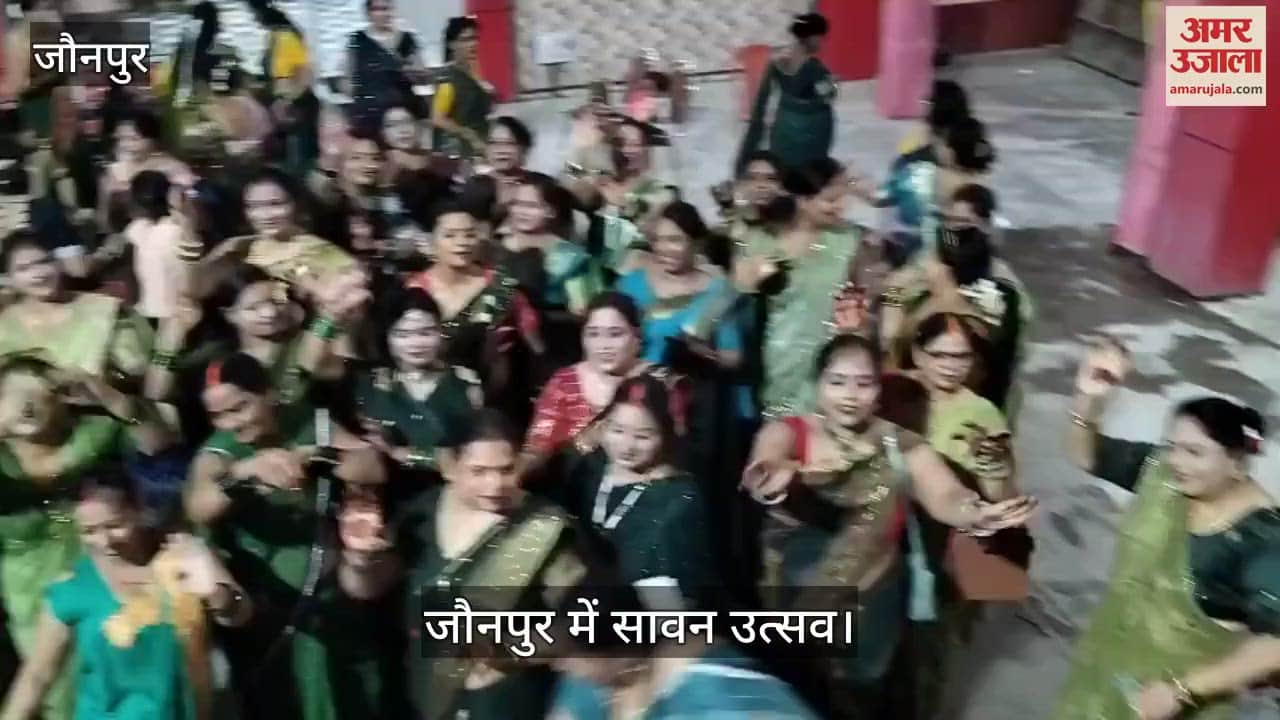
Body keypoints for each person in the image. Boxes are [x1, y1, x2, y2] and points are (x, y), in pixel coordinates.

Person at [740, 334, 1036, 718]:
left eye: (863, 383)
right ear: (817, 385)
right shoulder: (789, 433)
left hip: (872, 599)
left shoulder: (900, 444)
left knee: (863, 694)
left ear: (878, 391)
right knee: (794, 690)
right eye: (837, 381)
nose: (850, 394)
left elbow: (945, 495)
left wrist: (975, 513)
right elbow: (763, 464)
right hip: (795, 596)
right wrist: (773, 475)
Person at [1055, 338, 1280, 720]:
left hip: (1173, 704)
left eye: (1194, 453)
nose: (1176, 461)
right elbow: (1086, 455)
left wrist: (1182, 690)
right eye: (1173, 446)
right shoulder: (1161, 476)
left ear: (1237, 463)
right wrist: (1089, 401)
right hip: (1103, 671)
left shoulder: (1260, 540)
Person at [338, 410, 587, 720]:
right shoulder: (421, 514)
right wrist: (360, 560)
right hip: (423, 692)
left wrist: (506, 646)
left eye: (506, 470)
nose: (495, 484)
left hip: (500, 700)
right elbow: (367, 588)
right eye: (479, 471)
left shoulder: (545, 528)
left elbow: (580, 625)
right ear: (451, 467)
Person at [183, 352, 388, 720]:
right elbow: (199, 506)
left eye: (240, 408)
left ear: (270, 394)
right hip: (267, 608)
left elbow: (372, 467)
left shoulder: (310, 422)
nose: (231, 423)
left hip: (334, 596)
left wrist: (312, 457)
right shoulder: (219, 451)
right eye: (218, 415)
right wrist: (245, 471)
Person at [0, 356, 177, 720]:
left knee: (117, 687)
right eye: (10, 394)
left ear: (61, 393)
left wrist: (110, 397)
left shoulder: (96, 434)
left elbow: (159, 444)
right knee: (47, 687)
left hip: (114, 577)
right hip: (30, 592)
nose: (26, 402)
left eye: (38, 388)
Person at [0, 475, 251, 720]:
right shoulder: (73, 587)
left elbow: (239, 615)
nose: (105, 541)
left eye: (115, 526)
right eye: (89, 531)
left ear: (139, 511)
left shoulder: (183, 555)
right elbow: (36, 676)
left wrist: (214, 592)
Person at [538, 374, 711, 608]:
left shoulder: (677, 499)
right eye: (617, 430)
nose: (627, 446)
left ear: (666, 435)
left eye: (643, 436)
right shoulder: (591, 468)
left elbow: (672, 599)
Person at [547, 571, 820, 718]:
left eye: (574, 657)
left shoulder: (715, 691)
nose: (561, 665)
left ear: (622, 654)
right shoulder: (589, 682)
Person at [733, 158, 869, 418]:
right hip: (780, 355)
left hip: (832, 356)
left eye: (843, 199)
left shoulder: (849, 240)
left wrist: (857, 326)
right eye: (830, 200)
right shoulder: (763, 240)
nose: (840, 207)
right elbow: (738, 294)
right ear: (802, 200)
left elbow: (863, 292)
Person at [880, 224, 1028, 414]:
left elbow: (892, 343)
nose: (925, 263)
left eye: (932, 257)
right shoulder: (1006, 295)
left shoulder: (992, 304)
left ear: (944, 268)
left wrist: (898, 290)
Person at [524, 292, 685, 464]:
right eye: (593, 334)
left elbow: (675, 448)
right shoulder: (564, 381)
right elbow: (538, 445)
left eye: (615, 334)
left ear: (637, 337)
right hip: (574, 483)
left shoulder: (660, 380)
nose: (603, 346)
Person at [405, 201, 541, 398]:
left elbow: (534, 345)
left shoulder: (502, 286)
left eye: (470, 234)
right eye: (450, 235)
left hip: (498, 392)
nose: (462, 242)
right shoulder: (414, 290)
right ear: (430, 243)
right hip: (430, 392)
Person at [354, 286, 481, 485]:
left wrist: (399, 453)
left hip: (452, 490)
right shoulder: (371, 385)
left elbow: (471, 454)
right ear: (387, 337)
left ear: (440, 331)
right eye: (403, 335)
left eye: (426, 333)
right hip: (387, 493)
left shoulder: (465, 382)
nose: (416, 343)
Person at [0, 232, 153, 385]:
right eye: (23, 269)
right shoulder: (5, 326)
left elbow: (139, 374)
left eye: (44, 262)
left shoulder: (104, 311)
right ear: (9, 278)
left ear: (59, 263)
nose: (38, 274)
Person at [198, 167, 358, 301]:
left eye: (275, 204)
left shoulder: (318, 250)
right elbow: (197, 289)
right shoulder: (239, 247)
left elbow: (350, 290)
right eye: (253, 206)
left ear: (296, 205)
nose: (265, 215)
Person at [736, 13, 836, 175]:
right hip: (810, 132)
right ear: (813, 38)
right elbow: (828, 96)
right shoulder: (815, 68)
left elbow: (762, 102)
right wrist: (833, 84)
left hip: (784, 127)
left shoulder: (777, 61)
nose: (822, 42)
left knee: (782, 172)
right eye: (821, 37)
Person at [591, 118, 675, 276]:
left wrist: (621, 202)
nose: (626, 150)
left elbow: (648, 227)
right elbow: (568, 178)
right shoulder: (599, 183)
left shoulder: (662, 191)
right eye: (620, 143)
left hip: (638, 275)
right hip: (597, 276)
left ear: (647, 149)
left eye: (635, 144)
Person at [97, 108, 196, 234]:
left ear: (152, 139)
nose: (126, 145)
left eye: (134, 139)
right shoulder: (114, 171)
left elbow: (188, 211)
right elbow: (103, 217)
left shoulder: (174, 169)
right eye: (121, 139)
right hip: (122, 240)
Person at [346, 0, 425, 130]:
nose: (383, 14)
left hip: (403, 111)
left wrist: (412, 73)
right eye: (378, 9)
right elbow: (348, 78)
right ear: (368, 13)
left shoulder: (406, 39)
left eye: (386, 9)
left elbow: (422, 76)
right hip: (369, 112)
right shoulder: (357, 41)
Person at [433, 15, 494, 159]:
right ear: (452, 45)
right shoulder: (447, 77)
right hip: (462, 152)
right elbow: (438, 118)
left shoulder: (474, 69)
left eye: (474, 38)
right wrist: (469, 135)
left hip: (483, 145)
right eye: (465, 40)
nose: (473, 44)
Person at [484, 115, 533, 210]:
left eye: (509, 143)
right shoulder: (475, 186)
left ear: (524, 148)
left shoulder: (540, 184)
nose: (501, 150)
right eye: (493, 143)